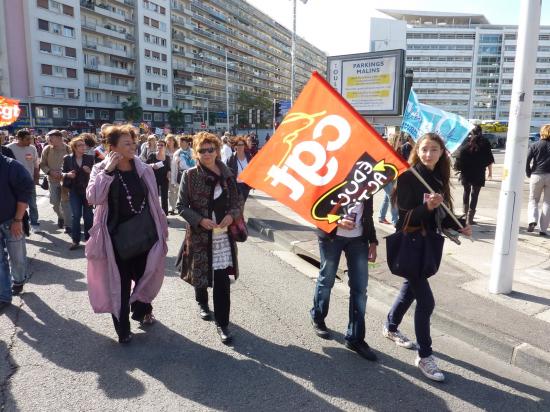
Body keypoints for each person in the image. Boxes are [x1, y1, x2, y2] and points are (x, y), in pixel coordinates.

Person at [383, 133, 471, 382]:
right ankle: (424, 356)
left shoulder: (439, 177)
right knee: (427, 302)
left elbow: (444, 215)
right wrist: (426, 208)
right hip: (410, 243)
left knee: (409, 289)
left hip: (428, 245)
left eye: (434, 150)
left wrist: (460, 225)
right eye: (424, 149)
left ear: (442, 152)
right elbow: (403, 219)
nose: (428, 154)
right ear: (417, 151)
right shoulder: (410, 176)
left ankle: (390, 327)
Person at [86, 125, 168, 343]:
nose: (132, 147)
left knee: (147, 274)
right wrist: (108, 171)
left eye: (133, 143)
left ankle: (142, 310)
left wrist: (163, 228)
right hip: (115, 238)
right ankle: (123, 330)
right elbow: (93, 197)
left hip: (144, 233)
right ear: (112, 147)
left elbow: (154, 201)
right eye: (126, 144)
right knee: (119, 283)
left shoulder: (142, 168)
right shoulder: (101, 169)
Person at [177, 132, 241, 344]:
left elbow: (237, 202)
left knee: (222, 280)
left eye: (210, 149)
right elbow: (181, 207)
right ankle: (202, 302)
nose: (206, 154)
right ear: (196, 152)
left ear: (217, 149)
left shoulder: (228, 174)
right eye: (202, 150)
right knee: (201, 275)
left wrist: (232, 215)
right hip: (200, 236)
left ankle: (223, 324)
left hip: (222, 237)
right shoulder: (191, 175)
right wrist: (200, 221)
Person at [310, 195, 379, 361]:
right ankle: (318, 317)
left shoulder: (368, 178)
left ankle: (355, 338)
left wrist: (373, 241)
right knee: (327, 279)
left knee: (360, 289)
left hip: (359, 239)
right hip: (332, 236)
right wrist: (337, 220)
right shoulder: (334, 172)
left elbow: (368, 213)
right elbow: (316, 208)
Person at [0, 154, 33, 307]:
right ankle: (4, 296)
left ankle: (19, 280)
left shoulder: (12, 166)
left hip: (12, 220)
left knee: (17, 257)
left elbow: (25, 193)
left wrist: (18, 219)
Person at [454, 125, 494, 225]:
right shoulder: (485, 144)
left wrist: (459, 169)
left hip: (466, 173)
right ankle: (470, 219)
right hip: (479, 172)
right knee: (475, 194)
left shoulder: (466, 143)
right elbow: (489, 159)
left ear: (471, 133)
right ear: (481, 132)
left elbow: (458, 160)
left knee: (466, 191)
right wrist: (489, 172)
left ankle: (464, 214)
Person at [62, 136, 95, 250]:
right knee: (76, 216)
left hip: (87, 191)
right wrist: (68, 174)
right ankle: (75, 241)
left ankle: (89, 240)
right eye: (80, 145)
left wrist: (89, 171)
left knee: (88, 216)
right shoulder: (67, 158)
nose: (83, 147)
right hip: (74, 190)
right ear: (74, 147)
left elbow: (96, 175)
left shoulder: (90, 158)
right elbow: (63, 173)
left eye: (84, 145)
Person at [7, 129, 40, 233]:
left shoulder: (32, 148)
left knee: (32, 204)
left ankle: (34, 223)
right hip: (14, 183)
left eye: (30, 138)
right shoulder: (9, 148)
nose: (30, 141)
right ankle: (19, 223)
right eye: (27, 139)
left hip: (29, 182)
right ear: (19, 138)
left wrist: (36, 177)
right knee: (17, 205)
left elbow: (36, 164)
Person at [39, 130, 72, 234]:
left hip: (65, 181)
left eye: (50, 138)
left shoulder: (68, 148)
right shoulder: (47, 149)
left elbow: (73, 163)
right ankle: (61, 217)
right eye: (48, 138)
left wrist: (65, 173)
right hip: (52, 180)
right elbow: (42, 164)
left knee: (65, 204)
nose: (48, 140)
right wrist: (50, 172)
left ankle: (68, 225)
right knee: (54, 203)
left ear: (59, 138)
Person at [526, 124, 550, 236]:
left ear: (542, 132)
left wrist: (528, 172)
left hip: (537, 174)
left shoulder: (535, 145)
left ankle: (532, 220)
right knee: (547, 202)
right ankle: (543, 229)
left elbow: (527, 160)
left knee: (533, 200)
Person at [378, 133, 399, 226]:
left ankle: (381, 217)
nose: (401, 142)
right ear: (395, 140)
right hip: (385, 179)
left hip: (393, 177)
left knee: (387, 199)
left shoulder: (398, 150)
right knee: (393, 198)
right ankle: (395, 220)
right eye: (399, 140)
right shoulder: (386, 150)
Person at [146, 139, 171, 216]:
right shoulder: (152, 155)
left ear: (165, 147)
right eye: (158, 145)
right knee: (154, 197)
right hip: (154, 179)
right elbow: (145, 165)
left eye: (161, 145)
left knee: (164, 198)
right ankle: (155, 214)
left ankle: (164, 216)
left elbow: (168, 168)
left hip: (164, 179)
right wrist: (152, 165)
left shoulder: (167, 157)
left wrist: (169, 172)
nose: (159, 146)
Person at [171, 135, 195, 214]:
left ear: (187, 143)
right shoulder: (177, 153)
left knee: (191, 194)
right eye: (179, 141)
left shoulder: (193, 152)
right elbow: (174, 167)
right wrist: (173, 180)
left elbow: (197, 164)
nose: (180, 143)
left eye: (182, 142)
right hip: (181, 174)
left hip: (192, 174)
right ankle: (184, 210)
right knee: (182, 193)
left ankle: (191, 210)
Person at [227, 136, 252, 204]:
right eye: (238, 145)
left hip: (246, 185)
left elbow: (252, 170)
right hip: (236, 185)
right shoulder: (231, 158)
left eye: (242, 145)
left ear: (244, 146)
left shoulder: (249, 157)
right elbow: (227, 173)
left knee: (242, 203)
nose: (240, 147)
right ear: (235, 146)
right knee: (238, 204)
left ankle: (240, 214)